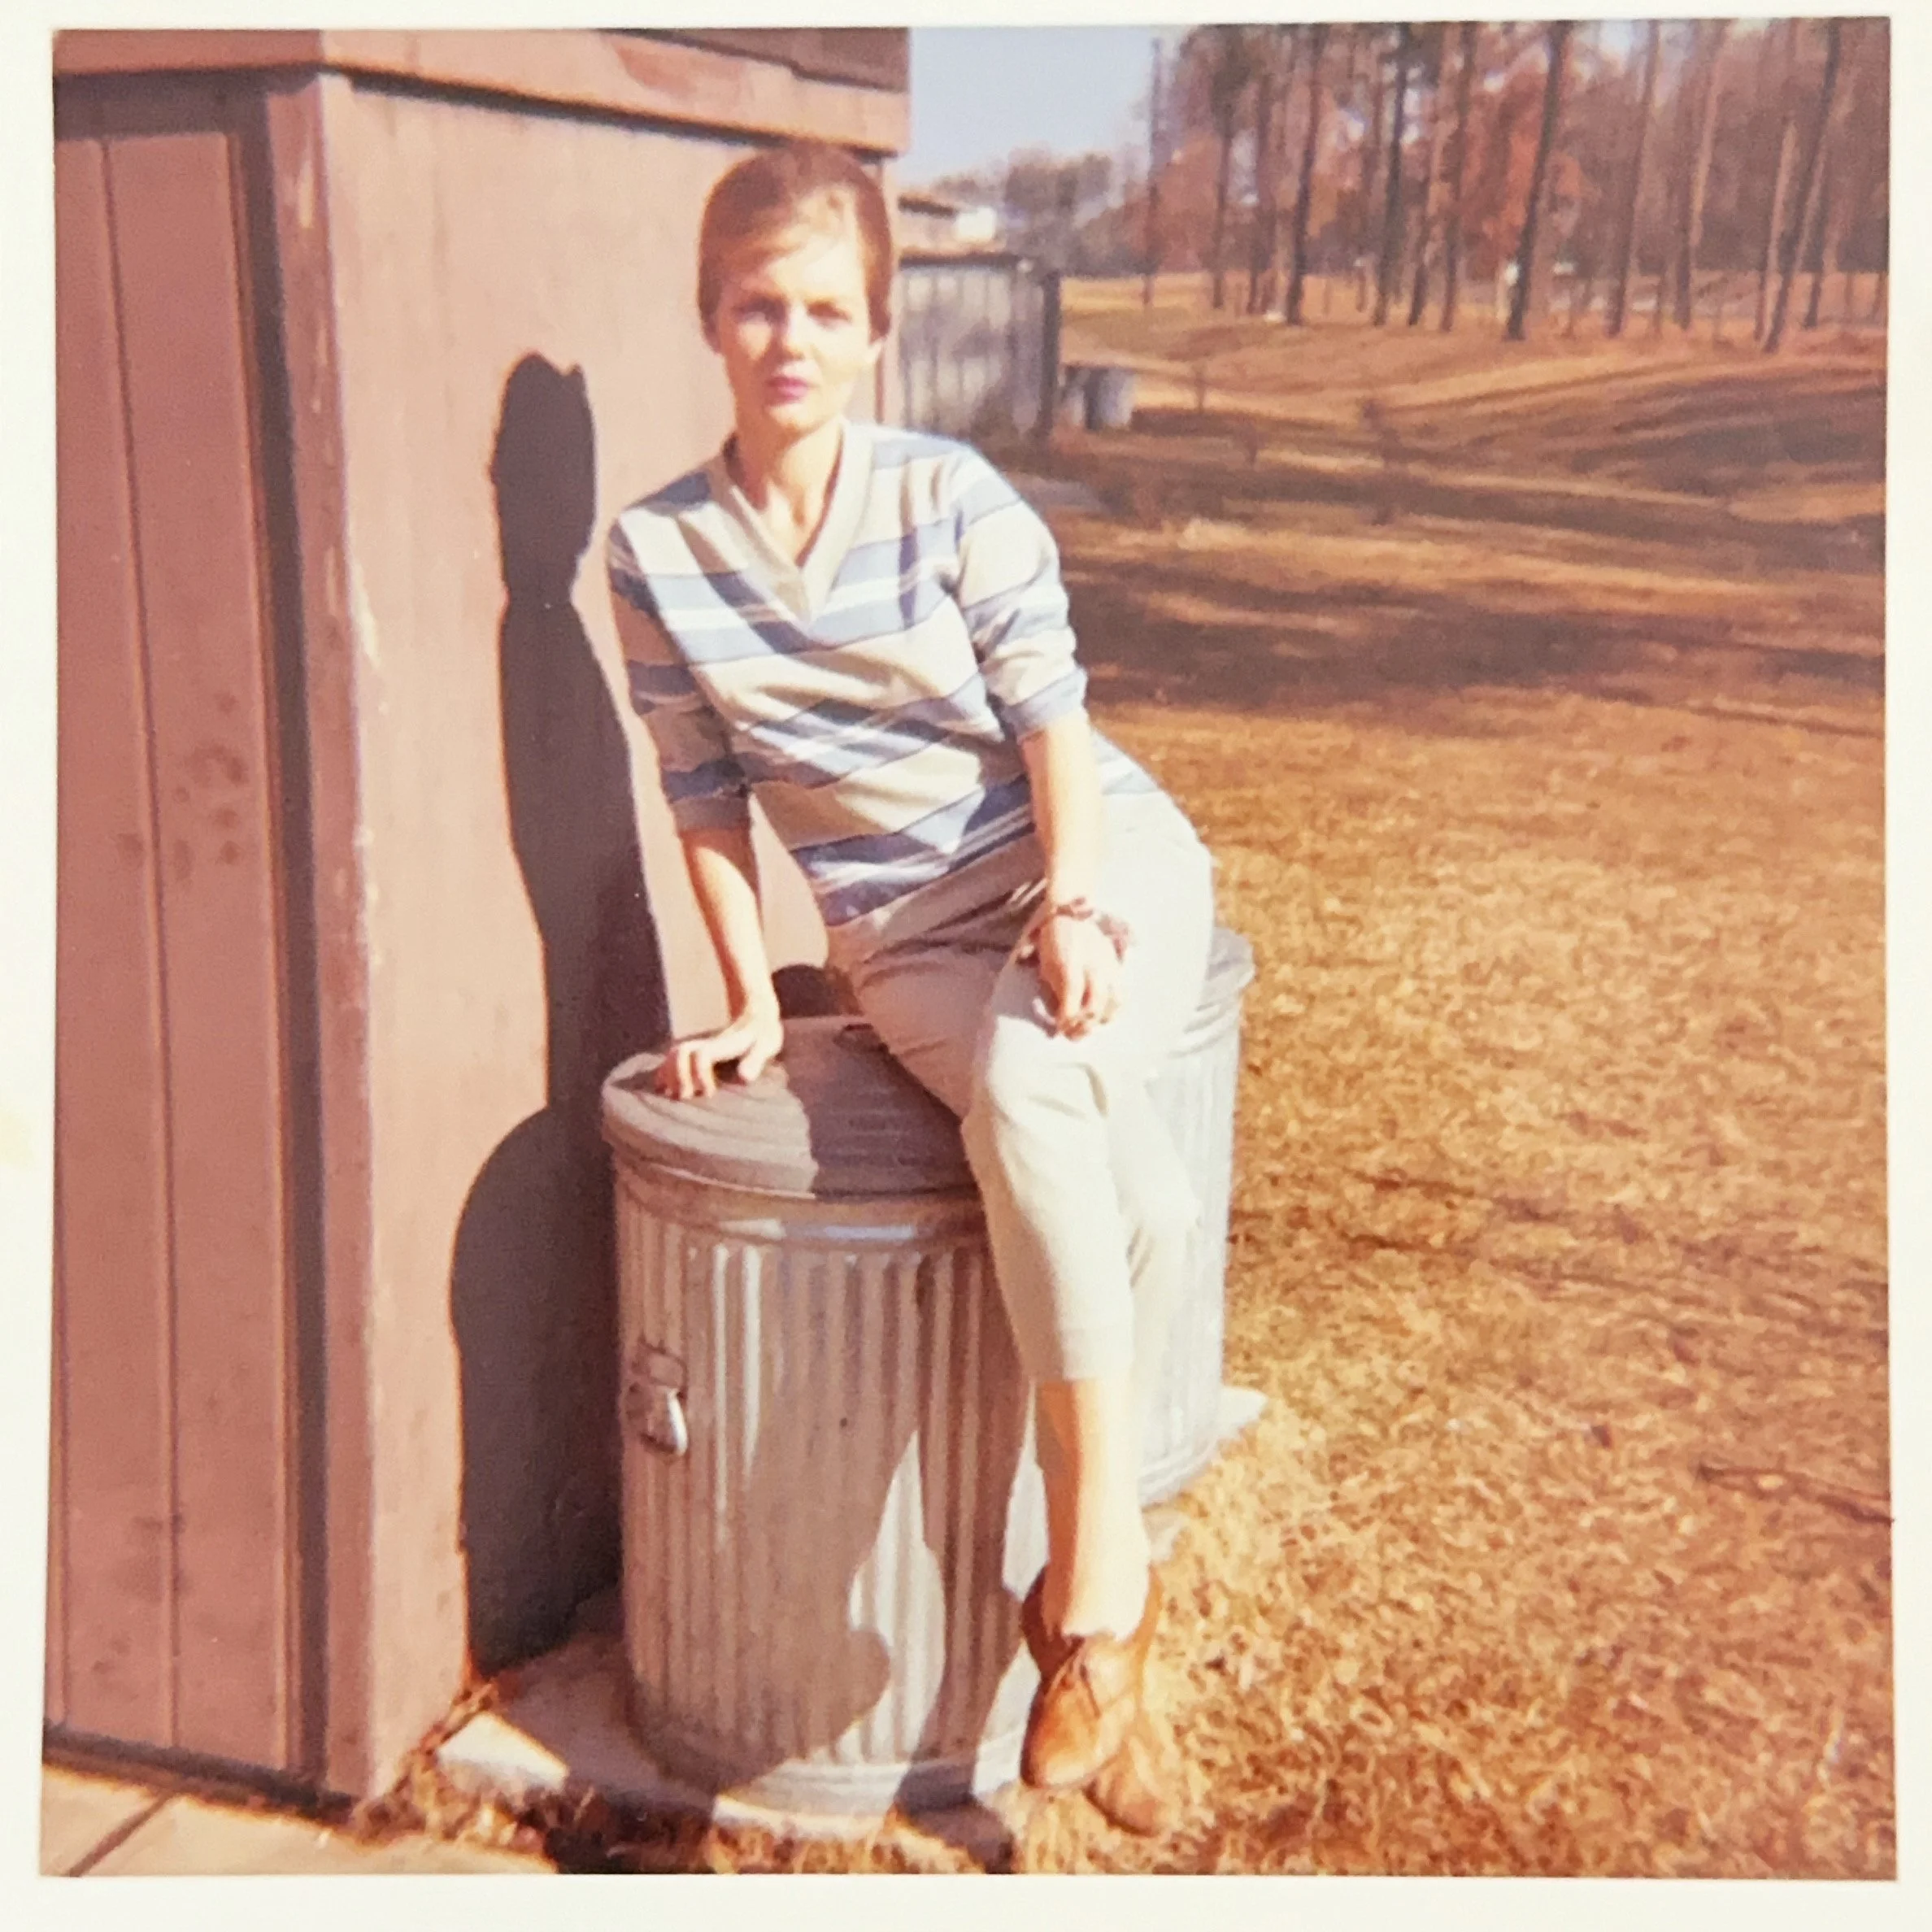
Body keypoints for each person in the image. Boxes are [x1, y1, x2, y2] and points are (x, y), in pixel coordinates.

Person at [606, 141, 1216, 1835]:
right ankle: (1118, 1622)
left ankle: (1088, 1599)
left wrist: (1078, 905)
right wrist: (748, 991)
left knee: (1037, 1099)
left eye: (822, 308)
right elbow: (705, 794)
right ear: (709, 319)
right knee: (1143, 1205)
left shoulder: (952, 498)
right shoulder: (654, 552)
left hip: (1088, 861)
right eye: (754, 306)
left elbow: (1054, 729)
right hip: (906, 942)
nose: (787, 340)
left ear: (874, 327)